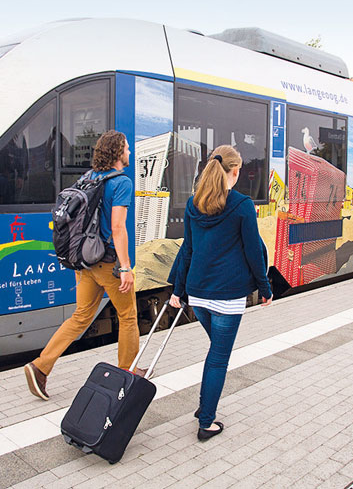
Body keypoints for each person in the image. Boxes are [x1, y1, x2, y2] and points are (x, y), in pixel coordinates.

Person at [24, 130, 141, 400]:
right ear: (117, 153)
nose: (130, 152)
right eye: (126, 148)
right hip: (108, 262)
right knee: (127, 316)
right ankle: (129, 372)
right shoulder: (121, 182)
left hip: (85, 262)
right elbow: (118, 227)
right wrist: (125, 267)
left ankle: (40, 366)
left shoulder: (88, 178)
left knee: (81, 317)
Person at [167, 145, 272, 441]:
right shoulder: (241, 205)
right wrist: (265, 288)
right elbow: (253, 250)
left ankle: (204, 409)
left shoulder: (193, 204)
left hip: (198, 296)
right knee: (218, 358)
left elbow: (187, 250)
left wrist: (179, 290)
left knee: (217, 351)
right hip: (227, 297)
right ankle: (206, 421)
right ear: (235, 171)